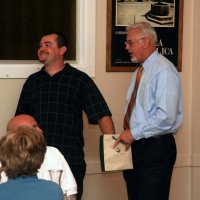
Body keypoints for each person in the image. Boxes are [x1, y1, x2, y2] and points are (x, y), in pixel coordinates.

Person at [15, 32, 115, 199]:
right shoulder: (32, 82)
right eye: (40, 45)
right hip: (34, 161)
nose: (41, 49)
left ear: (62, 50)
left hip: (70, 159)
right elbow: (19, 122)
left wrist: (114, 153)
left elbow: (102, 115)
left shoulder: (80, 80)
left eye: (47, 45)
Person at [114, 22, 183, 200]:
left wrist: (134, 133)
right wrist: (132, 135)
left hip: (155, 148)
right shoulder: (140, 71)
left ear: (145, 41)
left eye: (130, 42)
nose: (126, 47)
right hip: (137, 145)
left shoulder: (164, 70)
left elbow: (166, 117)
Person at [0, 114, 77, 199]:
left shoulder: (53, 153)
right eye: (34, 128)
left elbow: (71, 193)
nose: (40, 130)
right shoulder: (54, 190)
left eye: (37, 126)